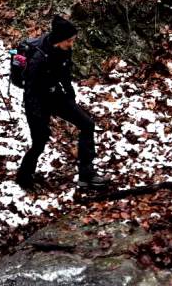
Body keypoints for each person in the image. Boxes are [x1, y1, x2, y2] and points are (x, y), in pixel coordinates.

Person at [16, 16, 105, 191]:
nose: (72, 44)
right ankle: (24, 176)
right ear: (59, 41)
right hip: (36, 100)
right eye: (69, 41)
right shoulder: (38, 59)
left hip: (54, 93)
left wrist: (69, 96)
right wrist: (37, 116)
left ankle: (86, 175)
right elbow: (30, 91)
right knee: (40, 141)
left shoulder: (64, 49)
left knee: (87, 125)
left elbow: (65, 72)